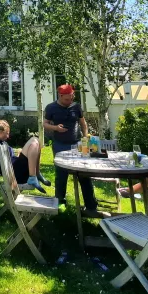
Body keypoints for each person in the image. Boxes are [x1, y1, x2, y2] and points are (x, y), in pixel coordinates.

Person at [43, 84, 100, 217]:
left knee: (84, 174)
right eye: (66, 99)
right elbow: (45, 124)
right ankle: (60, 202)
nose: (69, 101)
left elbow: (83, 124)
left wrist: (85, 138)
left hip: (77, 144)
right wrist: (56, 128)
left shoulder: (76, 107)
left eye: (71, 98)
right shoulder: (51, 107)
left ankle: (91, 206)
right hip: (60, 145)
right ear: (60, 96)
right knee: (61, 174)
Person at [0, 118, 50, 193]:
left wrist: (18, 156)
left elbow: (8, 160)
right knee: (34, 140)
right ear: (0, 132)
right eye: (6, 133)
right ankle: (33, 176)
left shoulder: (0, 143)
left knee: (36, 141)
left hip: (15, 171)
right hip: (16, 175)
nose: (8, 136)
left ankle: (36, 174)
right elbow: (6, 163)